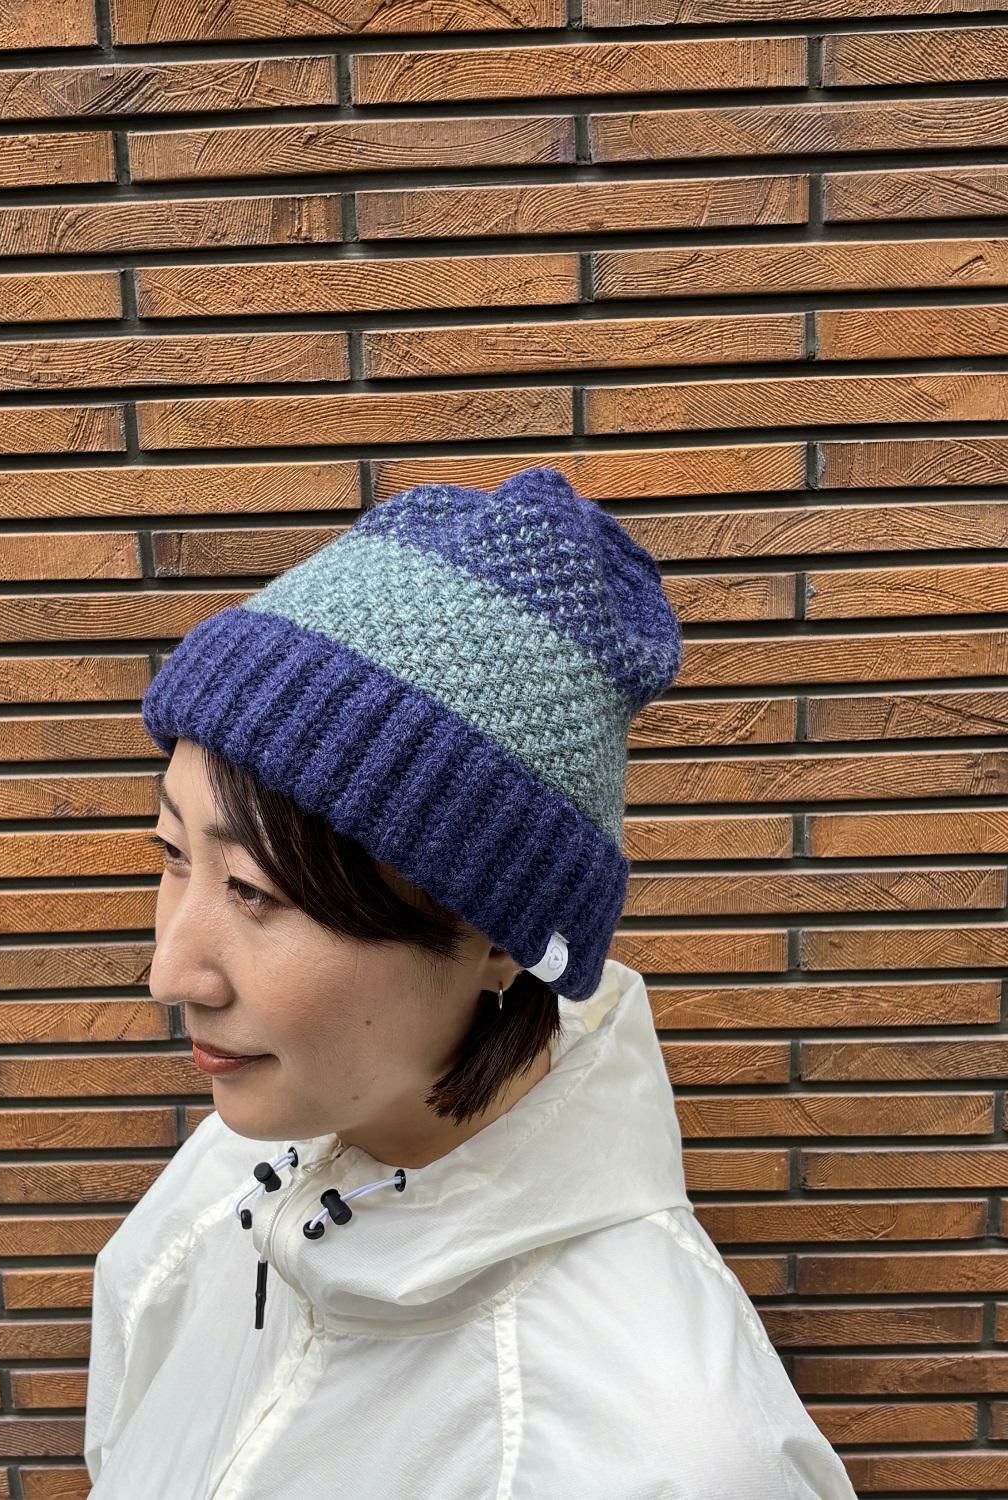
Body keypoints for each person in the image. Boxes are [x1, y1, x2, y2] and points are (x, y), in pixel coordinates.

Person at [82, 467, 858, 1498]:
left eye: (258, 891)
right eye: (174, 854)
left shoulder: (667, 1463)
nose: (169, 972)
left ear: (496, 936)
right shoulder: (230, 1175)